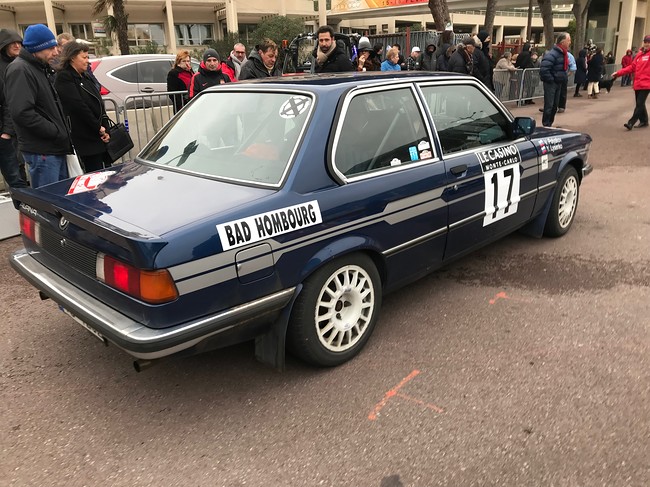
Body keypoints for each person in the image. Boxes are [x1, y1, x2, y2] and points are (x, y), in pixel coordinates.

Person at [5, 24, 71, 188]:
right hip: (43, 151)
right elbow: (22, 112)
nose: (56, 52)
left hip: (51, 148)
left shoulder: (39, 67)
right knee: (49, 204)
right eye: (50, 48)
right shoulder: (20, 69)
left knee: (59, 200)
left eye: (55, 46)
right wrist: (55, 131)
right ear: (36, 48)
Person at [54, 41, 111, 173]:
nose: (87, 61)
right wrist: (98, 127)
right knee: (91, 176)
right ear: (72, 57)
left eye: (87, 57)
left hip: (97, 135)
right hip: (84, 137)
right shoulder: (64, 77)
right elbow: (78, 106)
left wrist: (105, 128)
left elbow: (98, 102)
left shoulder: (85, 76)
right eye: (84, 58)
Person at [0, 29, 27, 188]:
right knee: (15, 176)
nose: (17, 46)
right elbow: (7, 101)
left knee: (18, 175)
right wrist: (6, 132)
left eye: (19, 43)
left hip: (13, 131)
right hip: (7, 132)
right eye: (13, 43)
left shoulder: (19, 64)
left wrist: (7, 132)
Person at [612, 35, 650, 130]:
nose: (646, 44)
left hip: (647, 84)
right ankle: (644, 121)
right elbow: (631, 67)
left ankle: (631, 122)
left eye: (649, 42)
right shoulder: (639, 55)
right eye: (645, 41)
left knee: (639, 103)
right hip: (638, 83)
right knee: (640, 103)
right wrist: (618, 73)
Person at [539, 32, 571, 127]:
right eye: (568, 40)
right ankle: (546, 124)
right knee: (549, 105)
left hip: (558, 82)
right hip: (552, 83)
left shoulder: (563, 54)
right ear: (562, 42)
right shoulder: (552, 54)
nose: (570, 42)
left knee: (554, 105)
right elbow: (544, 69)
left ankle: (549, 124)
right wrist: (552, 79)